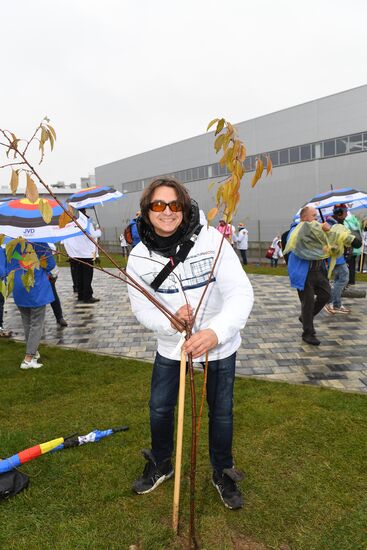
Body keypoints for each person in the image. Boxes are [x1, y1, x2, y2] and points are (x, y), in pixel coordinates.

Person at [127, 177, 254, 510]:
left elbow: (240, 293)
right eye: (158, 205)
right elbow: (141, 308)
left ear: (184, 207)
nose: (167, 212)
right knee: (159, 407)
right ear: (146, 211)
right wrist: (169, 322)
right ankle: (161, 463)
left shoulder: (212, 241)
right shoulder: (138, 257)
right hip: (171, 346)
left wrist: (214, 332)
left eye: (175, 205)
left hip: (219, 345)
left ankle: (221, 471)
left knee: (222, 412)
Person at [0, 242, 58, 369]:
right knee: (37, 324)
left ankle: (33, 351)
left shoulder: (12, 245)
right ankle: (28, 358)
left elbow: (7, 265)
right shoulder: (41, 244)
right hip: (35, 288)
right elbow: (50, 264)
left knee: (27, 323)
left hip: (19, 287)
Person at [287, 206, 331, 345]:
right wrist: (321, 229)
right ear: (304, 217)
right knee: (308, 303)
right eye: (313, 216)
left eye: (317, 216)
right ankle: (308, 333)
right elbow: (305, 240)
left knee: (326, 295)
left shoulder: (316, 230)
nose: (316, 219)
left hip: (319, 270)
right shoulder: (296, 231)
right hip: (304, 273)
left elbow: (325, 244)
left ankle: (306, 317)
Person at [324, 204, 362, 315]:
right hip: (336, 257)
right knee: (344, 279)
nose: (346, 213)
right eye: (345, 211)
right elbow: (334, 237)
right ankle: (330, 302)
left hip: (339, 256)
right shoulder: (331, 223)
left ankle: (336, 304)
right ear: (340, 212)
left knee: (338, 280)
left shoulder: (337, 223)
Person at [63, 213, 102, 304]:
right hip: (86, 255)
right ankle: (87, 296)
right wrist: (99, 231)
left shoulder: (70, 225)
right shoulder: (86, 223)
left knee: (79, 276)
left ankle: (80, 295)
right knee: (87, 277)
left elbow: (65, 240)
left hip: (75, 255)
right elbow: (93, 235)